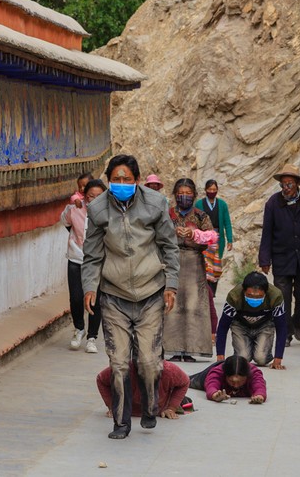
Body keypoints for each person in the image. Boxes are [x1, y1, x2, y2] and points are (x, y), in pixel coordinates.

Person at [82, 154, 180, 440]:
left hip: (150, 292)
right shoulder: (97, 209)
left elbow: (169, 246)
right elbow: (92, 254)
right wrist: (90, 287)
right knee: (119, 362)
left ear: (137, 180)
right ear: (109, 181)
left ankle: (149, 408)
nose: (121, 183)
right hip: (114, 295)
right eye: (116, 179)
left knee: (149, 361)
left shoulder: (155, 204)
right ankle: (121, 422)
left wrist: (171, 285)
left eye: (127, 179)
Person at [258, 164, 300, 345]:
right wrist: (264, 259)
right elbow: (267, 232)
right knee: (282, 297)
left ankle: (298, 321)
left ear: (297, 184)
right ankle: (285, 332)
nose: (286, 188)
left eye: (290, 184)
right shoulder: (273, 203)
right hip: (281, 257)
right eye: (283, 184)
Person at [164, 178, 217, 362]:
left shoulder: (201, 216)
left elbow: (212, 237)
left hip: (194, 263)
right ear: (175, 194)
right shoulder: (167, 214)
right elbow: (157, 234)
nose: (184, 196)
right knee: (172, 304)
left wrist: (194, 234)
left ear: (194, 195)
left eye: (188, 193)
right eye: (181, 193)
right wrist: (173, 233)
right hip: (172, 261)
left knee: (194, 305)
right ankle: (172, 347)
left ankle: (191, 350)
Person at [60, 179, 106, 352]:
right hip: (76, 259)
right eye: (91, 196)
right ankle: (79, 328)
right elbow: (65, 221)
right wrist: (73, 203)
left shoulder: (109, 213)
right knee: (76, 298)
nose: (94, 200)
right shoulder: (75, 210)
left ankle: (92, 337)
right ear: (85, 196)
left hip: (97, 261)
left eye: (99, 196)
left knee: (95, 299)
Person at [215, 272, 287, 369]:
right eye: (250, 295)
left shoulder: (275, 296)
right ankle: (247, 348)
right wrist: (220, 356)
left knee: (261, 359)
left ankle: (261, 349)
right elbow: (223, 326)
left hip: (264, 326)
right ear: (243, 291)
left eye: (259, 296)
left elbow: (281, 327)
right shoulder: (234, 296)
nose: (254, 298)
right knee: (243, 358)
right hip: (240, 326)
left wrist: (278, 358)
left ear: (265, 292)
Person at [96, 360, 190, 420]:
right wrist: (112, 406)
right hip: (129, 409)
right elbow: (101, 380)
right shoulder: (125, 369)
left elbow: (185, 382)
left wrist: (171, 408)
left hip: (159, 408)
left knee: (186, 402)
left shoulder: (168, 370)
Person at [195, 180, 234, 296]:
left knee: (216, 266)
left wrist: (230, 239)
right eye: (210, 189)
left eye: (214, 189)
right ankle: (205, 291)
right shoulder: (199, 204)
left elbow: (227, 222)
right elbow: (195, 222)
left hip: (217, 239)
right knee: (205, 265)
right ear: (205, 190)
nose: (212, 191)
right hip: (203, 239)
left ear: (217, 190)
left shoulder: (222, 204)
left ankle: (212, 292)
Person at [189, 355, 267, 404]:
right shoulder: (217, 372)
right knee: (187, 381)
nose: (236, 386)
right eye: (231, 381)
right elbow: (211, 385)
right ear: (225, 375)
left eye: (240, 381)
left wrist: (259, 396)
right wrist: (215, 395)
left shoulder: (254, 373)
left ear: (247, 376)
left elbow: (259, 386)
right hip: (206, 376)